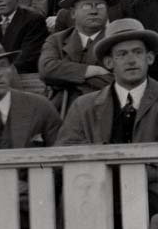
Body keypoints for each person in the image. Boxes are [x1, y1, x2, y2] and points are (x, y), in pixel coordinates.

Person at [58, 17, 158, 145]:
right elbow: (67, 154)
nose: (131, 60)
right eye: (122, 54)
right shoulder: (84, 107)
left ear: (149, 58)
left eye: (137, 52)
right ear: (109, 62)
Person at [38, 0, 117, 114]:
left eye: (99, 5)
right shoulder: (56, 40)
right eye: (86, 6)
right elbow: (46, 69)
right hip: (63, 112)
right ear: (73, 13)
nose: (94, 11)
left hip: (106, 110)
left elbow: (117, 81)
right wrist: (93, 70)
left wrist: (65, 77)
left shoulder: (116, 40)